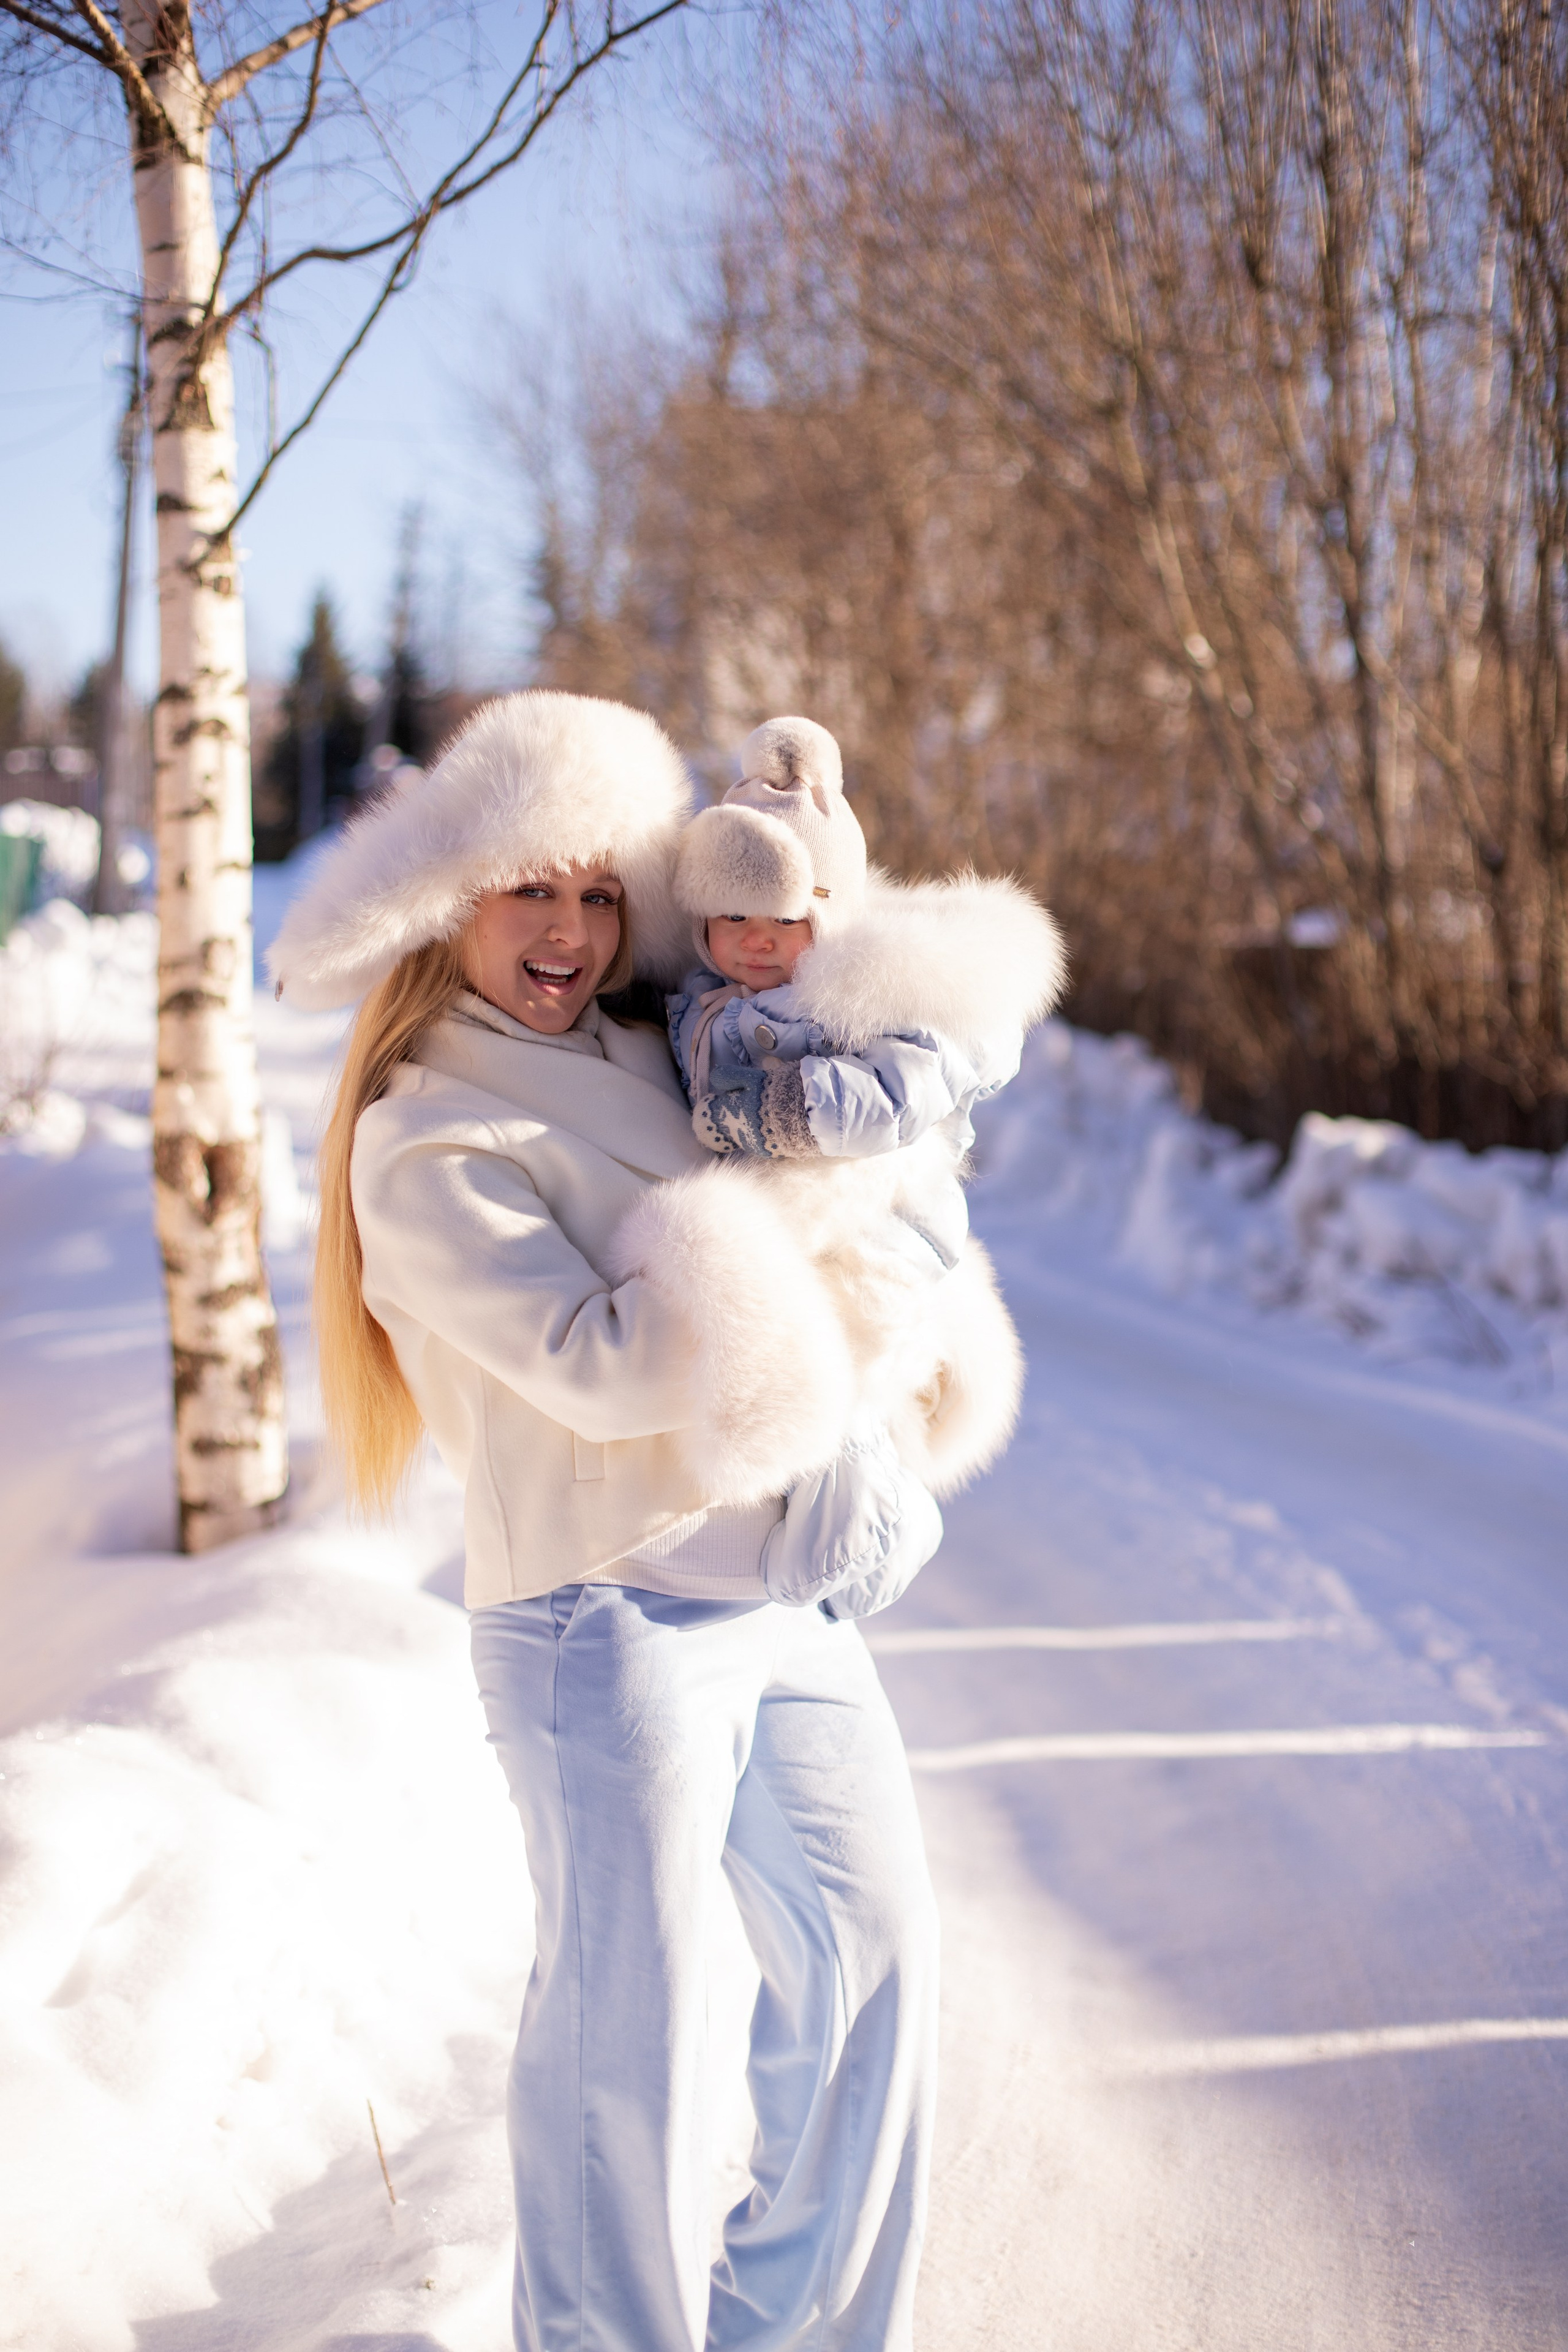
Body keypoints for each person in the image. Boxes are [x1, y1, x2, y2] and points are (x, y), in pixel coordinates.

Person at [268, 688, 955, 2352]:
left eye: (594, 893)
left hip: (784, 1600)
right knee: (628, 2046)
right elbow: (596, 1361)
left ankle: (797, 2334)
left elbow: (839, 1162)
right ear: (455, 903)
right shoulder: (425, 1132)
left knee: (875, 1973)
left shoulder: (660, 1047)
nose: (569, 932)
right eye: (530, 891)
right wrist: (798, 1289)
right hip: (606, 1625)